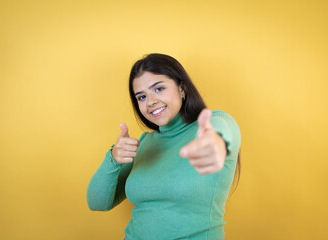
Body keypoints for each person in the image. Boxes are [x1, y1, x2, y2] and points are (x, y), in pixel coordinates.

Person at [86, 53, 241, 240]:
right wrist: (113, 158)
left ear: (182, 88)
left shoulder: (216, 123)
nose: (150, 102)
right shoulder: (143, 143)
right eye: (141, 97)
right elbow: (97, 203)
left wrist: (215, 144)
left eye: (158, 89)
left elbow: (221, 136)